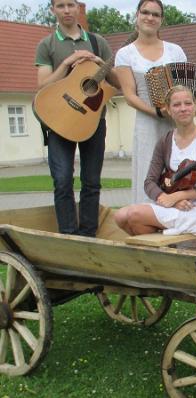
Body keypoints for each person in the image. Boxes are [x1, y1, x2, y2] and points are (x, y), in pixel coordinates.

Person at [35, 0, 119, 237]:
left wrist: (101, 63)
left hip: (92, 120)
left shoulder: (97, 42)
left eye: (71, 5)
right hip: (59, 122)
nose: (67, 10)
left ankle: (89, 237)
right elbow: (42, 86)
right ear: (52, 10)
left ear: (78, 8)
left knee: (91, 182)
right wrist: (67, 63)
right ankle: (69, 237)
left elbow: (117, 83)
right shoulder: (46, 44)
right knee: (62, 181)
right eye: (60, 6)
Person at [114, 85, 196, 236]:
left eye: (188, 103)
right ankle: (161, 252)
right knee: (119, 217)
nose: (183, 108)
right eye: (176, 105)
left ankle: (158, 253)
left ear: (195, 107)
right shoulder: (165, 141)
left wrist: (179, 196)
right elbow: (149, 181)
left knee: (134, 215)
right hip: (172, 204)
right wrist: (166, 198)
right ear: (169, 110)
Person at [115, 0, 187, 203]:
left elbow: (185, 89)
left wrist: (177, 111)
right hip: (147, 123)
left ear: (161, 20)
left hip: (175, 123)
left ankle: (178, 216)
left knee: (179, 166)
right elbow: (129, 96)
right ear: (137, 15)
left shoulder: (175, 51)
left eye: (156, 14)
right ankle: (147, 218)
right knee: (149, 168)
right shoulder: (125, 54)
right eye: (145, 12)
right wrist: (156, 112)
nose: (150, 17)